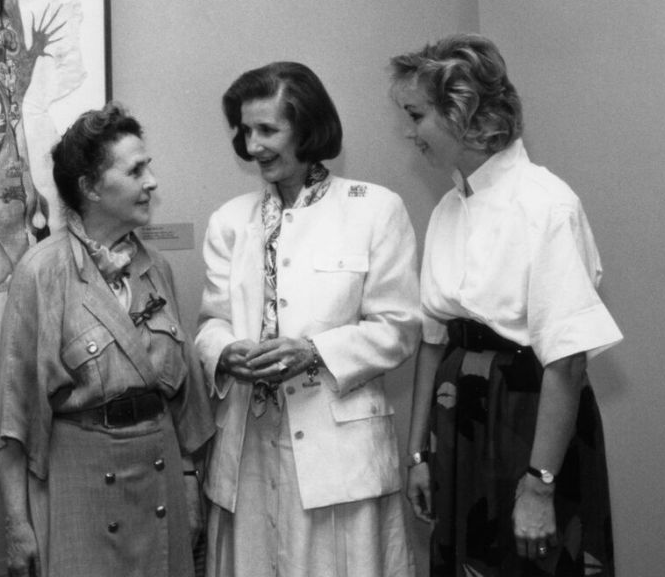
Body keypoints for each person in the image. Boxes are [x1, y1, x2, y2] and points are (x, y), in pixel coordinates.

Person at [389, 34, 622, 576]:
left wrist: (540, 485)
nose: (410, 131)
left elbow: (566, 361)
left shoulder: (547, 205)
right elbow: (433, 340)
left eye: (417, 115)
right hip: (458, 419)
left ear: (463, 114)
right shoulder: (448, 208)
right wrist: (418, 454)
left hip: (527, 419)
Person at [194, 61, 422, 577]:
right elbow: (211, 322)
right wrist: (225, 352)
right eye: (246, 130)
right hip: (248, 445)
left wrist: (313, 352)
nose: (253, 146)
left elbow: (399, 327)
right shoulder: (230, 221)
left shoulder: (374, 210)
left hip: (338, 449)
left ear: (308, 126)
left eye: (268, 130)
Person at [0, 103, 214, 577]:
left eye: (148, 166)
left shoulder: (157, 269)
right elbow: (15, 419)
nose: (151, 181)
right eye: (135, 170)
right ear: (91, 188)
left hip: (161, 474)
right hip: (81, 481)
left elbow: (185, 403)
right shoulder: (41, 273)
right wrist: (17, 525)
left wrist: (191, 483)